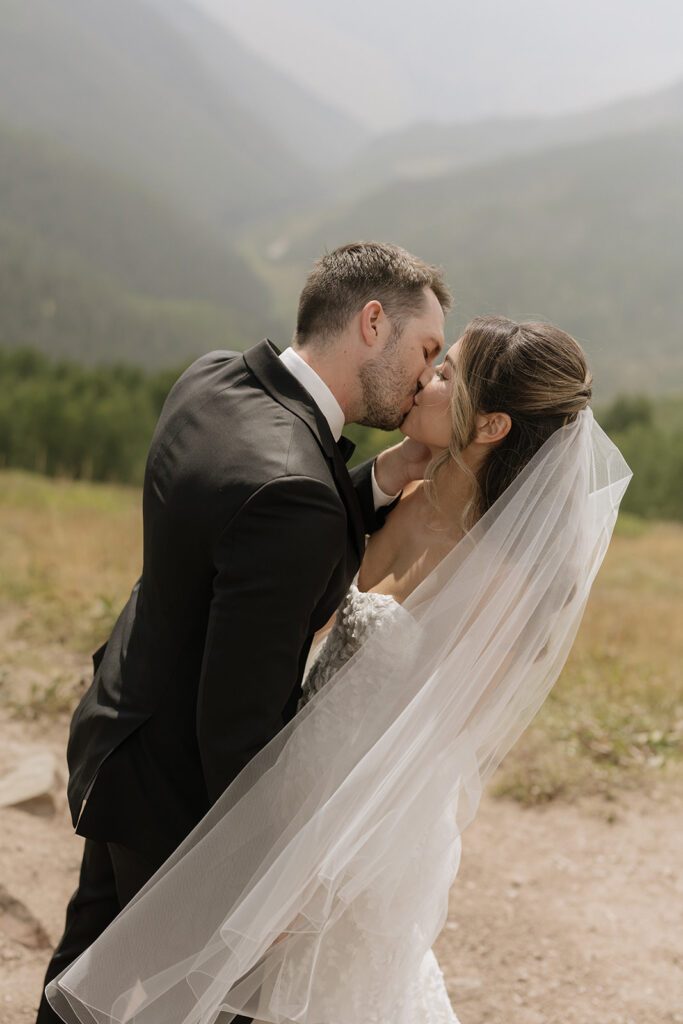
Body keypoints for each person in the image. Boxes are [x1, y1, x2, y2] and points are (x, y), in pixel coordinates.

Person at [45, 314, 631, 1024]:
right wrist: (385, 475)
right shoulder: (407, 496)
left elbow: (433, 751)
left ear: (490, 428)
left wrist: (310, 869)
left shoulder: (501, 582)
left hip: (355, 826)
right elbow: (303, 545)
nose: (425, 378)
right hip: (279, 774)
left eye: (446, 373)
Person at [36, 241, 452, 1024]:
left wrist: (385, 476)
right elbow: (237, 725)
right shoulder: (293, 496)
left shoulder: (214, 379)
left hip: (120, 730)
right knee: (195, 1003)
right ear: (372, 323)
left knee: (81, 978)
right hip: (177, 798)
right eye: (426, 351)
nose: (428, 378)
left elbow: (249, 532)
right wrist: (268, 876)